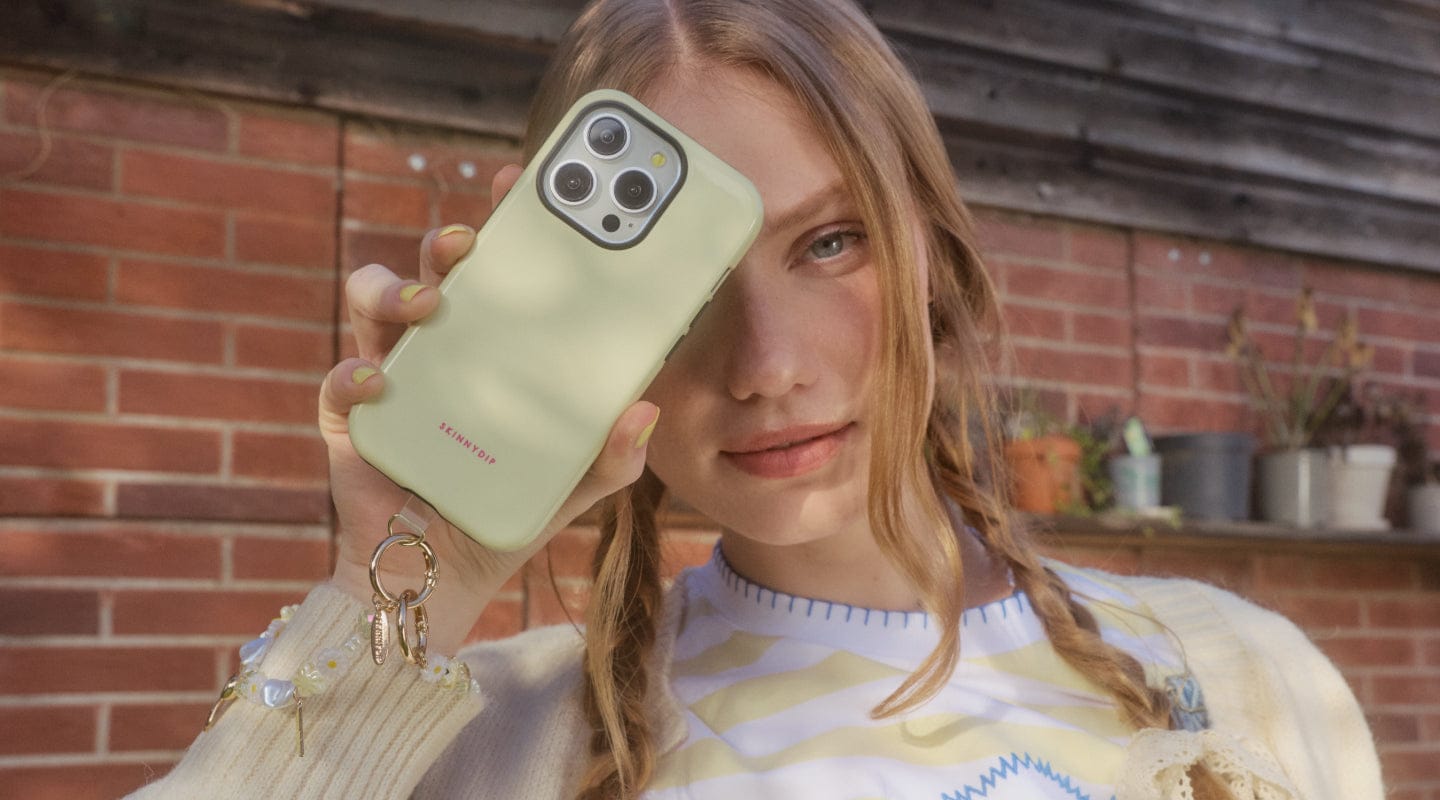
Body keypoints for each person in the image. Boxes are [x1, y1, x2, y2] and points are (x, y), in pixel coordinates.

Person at [129, 0, 1381, 798]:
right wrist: (404, 583)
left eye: (830, 241)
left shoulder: (1245, 674)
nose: (767, 364)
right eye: (680, 295)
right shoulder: (498, 739)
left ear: (932, 250)